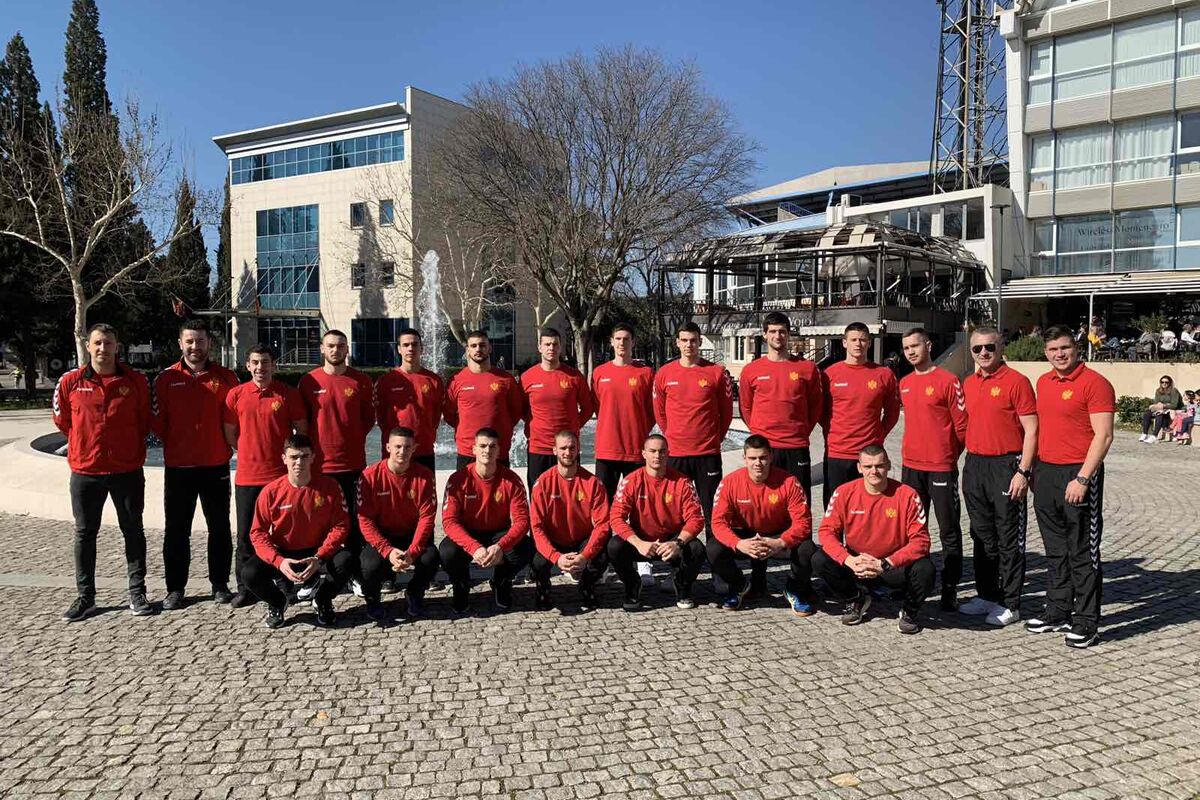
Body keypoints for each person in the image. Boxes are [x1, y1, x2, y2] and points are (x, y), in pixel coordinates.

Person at [54, 323, 155, 621]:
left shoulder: (136, 381)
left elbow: (145, 420)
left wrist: (126, 446)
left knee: (133, 530)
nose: (102, 348)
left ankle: (137, 592)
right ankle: (86, 597)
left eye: (108, 343)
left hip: (127, 470)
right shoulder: (70, 381)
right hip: (86, 471)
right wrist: (84, 444)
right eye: (97, 343)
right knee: (85, 533)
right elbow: (62, 421)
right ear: (88, 346)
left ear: (117, 347)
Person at [1027, 326, 1115, 649]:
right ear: (1046, 352)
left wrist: (1083, 478)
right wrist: (1033, 470)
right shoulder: (1043, 382)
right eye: (1053, 349)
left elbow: (1104, 435)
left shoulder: (1095, 383)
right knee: (1055, 550)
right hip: (1046, 472)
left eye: (1064, 347)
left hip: (1078, 473)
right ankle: (1057, 610)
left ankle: (1086, 621)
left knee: (1082, 551)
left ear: (1076, 348)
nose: (1059, 354)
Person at [151, 319, 240, 610]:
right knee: (177, 531)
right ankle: (175, 588)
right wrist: (181, 443)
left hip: (215, 466)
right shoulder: (165, 379)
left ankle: (220, 584)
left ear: (209, 343)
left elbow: (237, 418)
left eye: (200, 341)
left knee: (220, 528)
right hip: (179, 468)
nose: (195, 346)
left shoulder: (227, 378)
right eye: (189, 341)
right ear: (180, 343)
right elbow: (157, 423)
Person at [811, 445, 935, 634]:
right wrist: (849, 560)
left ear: (889, 466)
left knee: (925, 568)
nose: (874, 471)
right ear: (859, 468)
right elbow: (827, 532)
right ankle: (855, 598)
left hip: (890, 567)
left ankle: (909, 612)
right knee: (819, 559)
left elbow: (921, 541)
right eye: (868, 466)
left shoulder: (908, 495)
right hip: (857, 565)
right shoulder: (844, 492)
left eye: (879, 466)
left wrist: (885, 564)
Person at [959, 326, 1037, 626]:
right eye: (977, 348)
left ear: (1001, 347)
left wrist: (1023, 471)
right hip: (975, 464)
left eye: (989, 347)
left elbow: (1032, 430)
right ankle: (987, 594)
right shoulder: (969, 382)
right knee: (981, 535)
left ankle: (1011, 602)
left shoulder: (1017, 382)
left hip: (1007, 465)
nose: (983, 353)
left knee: (1008, 537)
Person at [223, 344, 307, 608]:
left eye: (266, 362)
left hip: (280, 478)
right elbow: (230, 434)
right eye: (256, 362)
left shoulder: (288, 394)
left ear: (274, 365)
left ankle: (286, 583)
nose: (261, 367)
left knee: (283, 534)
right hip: (248, 477)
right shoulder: (235, 395)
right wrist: (249, 451)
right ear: (248, 365)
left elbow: (301, 431)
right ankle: (245, 587)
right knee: (246, 535)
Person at [244, 434, 355, 628]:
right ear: (284, 459)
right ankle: (278, 602)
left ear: (313, 457)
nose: (299, 462)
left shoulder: (330, 486)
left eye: (304, 456)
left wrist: (320, 557)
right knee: (249, 573)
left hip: (318, 551)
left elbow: (341, 526)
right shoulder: (270, 492)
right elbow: (258, 533)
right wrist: (279, 561)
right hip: (285, 553)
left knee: (346, 561)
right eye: (294, 457)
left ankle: (322, 600)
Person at [898, 327, 968, 610]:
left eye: (915, 346)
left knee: (948, 530)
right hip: (910, 467)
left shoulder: (948, 381)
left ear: (928, 345)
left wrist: (948, 456)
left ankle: (950, 587)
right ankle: (915, 583)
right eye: (906, 348)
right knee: (913, 528)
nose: (910, 352)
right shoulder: (904, 383)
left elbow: (962, 427)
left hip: (941, 468)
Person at [709, 435, 816, 615]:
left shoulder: (789, 481)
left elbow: (804, 522)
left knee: (807, 548)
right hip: (746, 535)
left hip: (777, 535)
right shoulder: (730, 482)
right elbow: (718, 522)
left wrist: (781, 542)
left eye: (763, 458)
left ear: (771, 457)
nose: (758, 463)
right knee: (713, 548)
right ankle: (739, 585)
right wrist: (738, 543)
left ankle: (793, 589)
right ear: (744, 458)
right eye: (752, 458)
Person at [607, 434, 707, 610]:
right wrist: (638, 543)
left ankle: (681, 584)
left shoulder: (682, 481)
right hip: (642, 541)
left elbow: (696, 518)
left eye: (662, 451)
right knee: (614, 546)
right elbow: (616, 516)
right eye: (652, 451)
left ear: (668, 453)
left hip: (671, 541)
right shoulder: (631, 481)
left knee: (697, 549)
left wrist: (678, 543)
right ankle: (632, 584)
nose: (657, 455)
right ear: (643, 454)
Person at [297, 330, 375, 555]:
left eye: (340, 346)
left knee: (353, 519)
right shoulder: (308, 381)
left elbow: (368, 419)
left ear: (347, 349)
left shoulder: (361, 381)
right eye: (330, 346)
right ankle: (317, 564)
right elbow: (303, 423)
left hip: (352, 464)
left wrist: (350, 437)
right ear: (322, 349)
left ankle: (353, 566)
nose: (335, 350)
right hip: (319, 465)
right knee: (318, 518)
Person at [439, 427, 532, 613]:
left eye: (492, 446)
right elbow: (449, 522)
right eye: (482, 446)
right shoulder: (458, 479)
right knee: (447, 552)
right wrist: (474, 548)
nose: (487, 450)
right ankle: (461, 584)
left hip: (498, 534)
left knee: (526, 547)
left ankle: (501, 581)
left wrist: (501, 546)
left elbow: (522, 522)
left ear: (499, 451)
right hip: (469, 533)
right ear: (474, 449)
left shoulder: (512, 480)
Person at [591, 323, 656, 586]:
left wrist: (638, 431)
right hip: (607, 450)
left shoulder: (646, 373)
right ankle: (603, 563)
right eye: (617, 338)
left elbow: (652, 411)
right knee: (603, 510)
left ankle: (644, 562)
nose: (621, 343)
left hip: (635, 452)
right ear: (611, 342)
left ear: (633, 342)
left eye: (626, 338)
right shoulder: (600, 373)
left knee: (640, 509)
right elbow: (598, 407)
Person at [653, 322, 733, 535]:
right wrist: (673, 436)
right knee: (676, 509)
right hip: (677, 453)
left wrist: (716, 438)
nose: (689, 345)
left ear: (699, 342)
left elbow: (726, 413)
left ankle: (715, 550)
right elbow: (660, 412)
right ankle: (677, 550)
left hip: (707, 453)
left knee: (712, 509)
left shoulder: (716, 372)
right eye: (684, 340)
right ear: (677, 343)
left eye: (693, 340)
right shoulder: (664, 373)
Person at [737, 312, 823, 505]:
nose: (778, 336)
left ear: (788, 334)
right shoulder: (751, 370)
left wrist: (800, 431)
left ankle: (800, 528)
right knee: (765, 502)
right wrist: (759, 432)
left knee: (799, 502)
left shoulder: (807, 368)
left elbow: (816, 407)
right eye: (773, 331)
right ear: (765, 334)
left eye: (782, 331)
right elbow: (745, 407)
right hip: (764, 448)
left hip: (796, 446)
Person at [356, 427, 441, 622]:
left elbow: (427, 517)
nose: (402, 451)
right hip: (383, 536)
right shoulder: (369, 476)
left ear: (414, 449)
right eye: (398, 447)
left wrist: (413, 551)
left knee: (431, 558)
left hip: (411, 535)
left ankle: (415, 592)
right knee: (369, 564)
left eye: (407, 447)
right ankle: (373, 599)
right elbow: (365, 520)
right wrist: (387, 551)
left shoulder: (425, 476)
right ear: (388, 447)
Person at [819, 322, 901, 509]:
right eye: (854, 339)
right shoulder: (829, 375)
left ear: (869, 343)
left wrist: (878, 435)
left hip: (869, 456)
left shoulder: (883, 375)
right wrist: (834, 431)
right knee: (835, 508)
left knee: (869, 508)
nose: (858, 344)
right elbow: (820, 412)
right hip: (837, 453)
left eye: (863, 340)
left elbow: (892, 412)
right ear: (844, 343)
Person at [528, 430, 611, 610]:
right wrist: (555, 557)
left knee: (603, 554)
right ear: (554, 450)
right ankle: (543, 587)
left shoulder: (593, 483)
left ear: (578, 449)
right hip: (554, 541)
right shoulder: (543, 483)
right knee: (537, 560)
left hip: (581, 540)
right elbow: (536, 527)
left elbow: (602, 525)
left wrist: (584, 555)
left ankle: (587, 584)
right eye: (563, 448)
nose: (568, 452)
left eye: (572, 448)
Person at [520, 327, 594, 488]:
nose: (551, 348)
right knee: (538, 493)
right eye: (547, 344)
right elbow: (521, 409)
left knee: (570, 494)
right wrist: (537, 426)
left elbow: (588, 409)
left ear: (560, 347)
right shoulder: (527, 377)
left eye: (555, 344)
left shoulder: (574, 377)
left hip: (567, 448)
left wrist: (573, 427)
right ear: (539, 347)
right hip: (539, 447)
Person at [443, 330, 523, 470]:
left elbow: (516, 412)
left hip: (497, 449)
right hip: (468, 450)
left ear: (489, 348)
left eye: (482, 345)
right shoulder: (457, 381)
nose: (478, 349)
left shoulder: (506, 380)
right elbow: (449, 414)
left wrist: (502, 429)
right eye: (473, 346)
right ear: (467, 350)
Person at [375, 327, 445, 473]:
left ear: (421, 348)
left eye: (414, 344)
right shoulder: (385, 381)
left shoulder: (434, 381)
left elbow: (436, 416)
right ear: (399, 349)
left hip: (423, 449)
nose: (410, 348)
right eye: (406, 345)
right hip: (395, 452)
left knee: (425, 487)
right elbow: (380, 417)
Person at [1139, 375, 1183, 443]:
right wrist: (1158, 407)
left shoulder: (1174, 391)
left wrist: (1163, 406)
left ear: (1170, 383)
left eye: (1166, 382)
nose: (1164, 383)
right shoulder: (1158, 391)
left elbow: (1174, 405)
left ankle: (1154, 436)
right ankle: (1145, 433)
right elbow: (1156, 402)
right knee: (1147, 414)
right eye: (1162, 382)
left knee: (1159, 415)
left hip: (1172, 410)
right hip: (1162, 408)